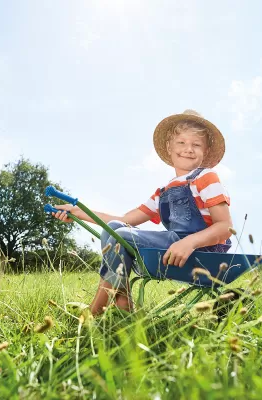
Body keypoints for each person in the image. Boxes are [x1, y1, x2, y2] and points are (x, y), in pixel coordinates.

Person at [52, 110, 233, 315]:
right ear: (169, 147)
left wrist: (189, 242)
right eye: (181, 143)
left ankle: (96, 314)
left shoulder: (207, 177)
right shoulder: (163, 193)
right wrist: (76, 212)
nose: (188, 149)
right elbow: (124, 220)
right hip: (174, 246)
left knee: (118, 234)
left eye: (196, 144)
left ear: (206, 150)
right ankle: (123, 305)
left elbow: (225, 228)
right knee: (114, 228)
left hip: (202, 252)